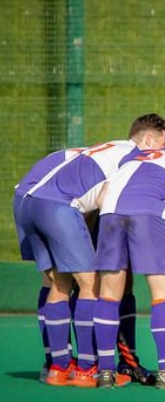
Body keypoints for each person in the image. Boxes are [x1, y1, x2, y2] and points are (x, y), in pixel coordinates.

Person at [18, 113, 165, 387]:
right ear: (149, 140)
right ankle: (88, 369)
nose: (163, 153)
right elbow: (103, 200)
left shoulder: (111, 146)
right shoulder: (133, 158)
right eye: (162, 144)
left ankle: (58, 368)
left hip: (28, 204)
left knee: (60, 284)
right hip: (58, 209)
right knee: (91, 284)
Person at [93, 124, 165, 389]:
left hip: (109, 215)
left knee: (108, 295)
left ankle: (106, 371)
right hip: (149, 215)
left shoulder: (133, 157)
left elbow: (101, 198)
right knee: (162, 294)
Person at [13, 147, 85, 381]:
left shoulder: (92, 154)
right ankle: (81, 364)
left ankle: (55, 362)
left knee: (53, 282)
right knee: (76, 283)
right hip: (53, 205)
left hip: (26, 199)